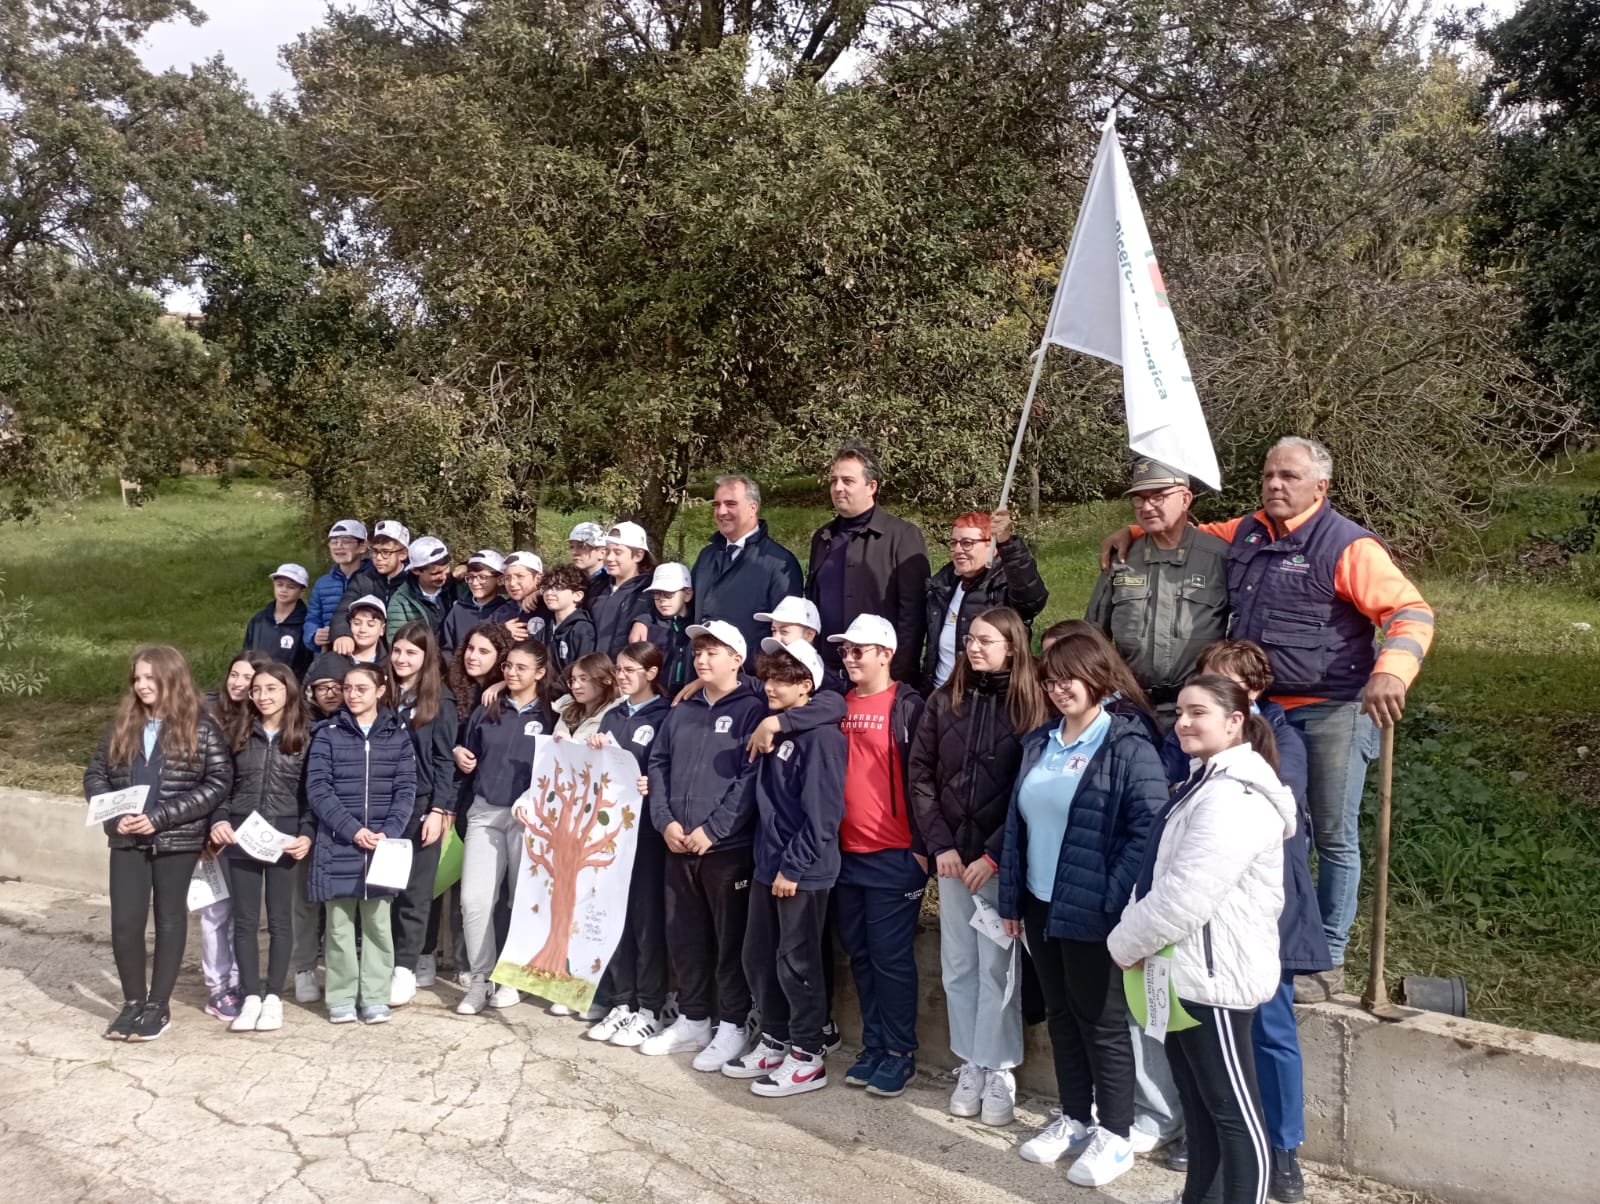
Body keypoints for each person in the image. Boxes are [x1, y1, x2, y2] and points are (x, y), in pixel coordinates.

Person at [1099, 435, 1435, 998]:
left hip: (1332, 709)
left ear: (1320, 487)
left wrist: (1392, 673)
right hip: (1256, 711)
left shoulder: (1349, 546)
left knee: (1331, 834)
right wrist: (1132, 531)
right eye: (1269, 476)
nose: (1275, 486)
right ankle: (1279, 943)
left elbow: (1411, 611)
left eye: (1290, 477)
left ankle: (1327, 956)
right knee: (1278, 833)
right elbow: (1188, 534)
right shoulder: (1249, 531)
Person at [1109, 675, 1295, 1204]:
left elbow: (1185, 896)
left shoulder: (1234, 797)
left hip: (1215, 978)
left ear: (1236, 721)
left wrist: (1123, 944)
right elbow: (1161, 877)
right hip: (1181, 969)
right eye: (1182, 712)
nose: (1184, 722)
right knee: (1201, 1109)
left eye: (1199, 713)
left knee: (1235, 1117)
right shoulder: (1203, 782)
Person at [996, 628, 1167, 1188]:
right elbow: (1017, 826)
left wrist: (1109, 896)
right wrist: (1013, 897)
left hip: (1094, 910)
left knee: (1104, 1023)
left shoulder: (1125, 744)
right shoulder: (1041, 742)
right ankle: (1074, 1118)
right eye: (1050, 680)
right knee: (1064, 1019)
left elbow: (1148, 830)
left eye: (1068, 678)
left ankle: (1115, 1136)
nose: (1058, 688)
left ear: (1097, 678)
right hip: (1042, 905)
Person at [1170, 641, 1328, 1203]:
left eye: (1222, 682)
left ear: (1250, 695)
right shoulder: (1198, 744)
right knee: (1211, 1051)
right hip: (1204, 929)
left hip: (1264, 912)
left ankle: (1282, 1151)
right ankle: (1208, 1138)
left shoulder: (1280, 738)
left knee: (1272, 1031)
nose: (1204, 694)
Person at [908, 606, 1048, 1126]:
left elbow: (1028, 788)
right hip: (952, 862)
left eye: (986, 640)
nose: (974, 647)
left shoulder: (1031, 705)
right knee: (959, 965)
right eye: (969, 639)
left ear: (1012, 645)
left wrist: (993, 853)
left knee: (998, 968)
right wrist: (941, 844)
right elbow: (920, 773)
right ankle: (970, 1061)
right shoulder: (945, 700)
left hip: (996, 863)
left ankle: (999, 1066)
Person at [86, 646, 233, 1042]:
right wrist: (112, 812)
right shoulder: (123, 723)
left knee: (169, 920)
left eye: (150, 678)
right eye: (137, 678)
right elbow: (95, 775)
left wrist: (160, 817)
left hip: (176, 839)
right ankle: (133, 1001)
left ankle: (158, 1006)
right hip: (126, 838)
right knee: (125, 924)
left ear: (171, 678)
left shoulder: (201, 726)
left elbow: (218, 781)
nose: (142, 685)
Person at [640, 620, 765, 1068]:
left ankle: (732, 1024)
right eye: (698, 651)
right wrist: (665, 820)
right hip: (677, 842)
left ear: (737, 659)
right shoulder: (684, 707)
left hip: (726, 850)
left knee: (728, 940)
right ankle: (694, 1019)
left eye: (714, 651)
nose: (702, 658)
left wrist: (715, 829)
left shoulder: (754, 709)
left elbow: (751, 777)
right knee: (685, 934)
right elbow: (659, 763)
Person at [723, 636, 844, 1097]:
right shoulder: (776, 730)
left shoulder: (822, 739)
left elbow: (824, 816)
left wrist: (792, 868)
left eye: (782, 679)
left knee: (798, 963)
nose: (769, 686)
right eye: (769, 677)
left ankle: (808, 1054)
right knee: (758, 954)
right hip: (766, 864)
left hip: (801, 871)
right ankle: (775, 1037)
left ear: (806, 685)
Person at [826, 613, 928, 1099]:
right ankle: (873, 1045)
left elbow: (928, 779)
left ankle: (899, 1053)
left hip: (895, 852)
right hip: (844, 853)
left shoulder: (908, 706)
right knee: (861, 955)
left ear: (885, 653)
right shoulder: (834, 704)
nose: (849, 658)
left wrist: (924, 847)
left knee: (890, 959)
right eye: (844, 650)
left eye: (858, 650)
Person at [305, 663, 417, 1024]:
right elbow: (318, 789)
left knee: (378, 925)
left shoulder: (398, 736)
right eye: (348, 688)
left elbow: (406, 789)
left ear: (380, 691)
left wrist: (391, 830)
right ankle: (340, 996)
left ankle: (374, 995)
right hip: (339, 843)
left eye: (361, 689)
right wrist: (352, 829)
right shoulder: (327, 734)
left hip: (382, 846)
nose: (352, 695)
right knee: (338, 926)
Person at [1086, 458, 1230, 732]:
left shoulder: (1219, 557)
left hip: (1200, 712)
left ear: (1186, 498)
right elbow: (1093, 634)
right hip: (1130, 709)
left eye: (1158, 497)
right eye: (1139, 500)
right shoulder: (1122, 558)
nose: (1147, 507)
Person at [209, 662, 312, 1033]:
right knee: (245, 920)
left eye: (271, 689)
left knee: (281, 920)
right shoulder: (237, 732)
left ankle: (273, 998)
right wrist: (219, 819)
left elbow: (310, 793)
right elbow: (222, 784)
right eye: (257, 690)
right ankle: (250, 995)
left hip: (283, 838)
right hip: (242, 835)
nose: (263, 696)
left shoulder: (305, 735)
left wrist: (306, 833)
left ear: (288, 691)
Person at [457, 639, 556, 1016]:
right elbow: (469, 751)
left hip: (529, 820)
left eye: (521, 668)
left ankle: (513, 977)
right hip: (484, 812)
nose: (511, 673)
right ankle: (480, 978)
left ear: (540, 673)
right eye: (508, 667)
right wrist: (458, 754)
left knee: (521, 901)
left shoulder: (552, 712)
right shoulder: (489, 707)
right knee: (475, 900)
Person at [584, 642, 673, 1048]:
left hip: (648, 837)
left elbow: (667, 768)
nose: (622, 675)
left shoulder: (666, 715)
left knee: (645, 920)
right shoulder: (614, 715)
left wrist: (653, 785)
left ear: (651, 673)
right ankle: (622, 1000)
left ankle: (649, 1007)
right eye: (619, 669)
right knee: (615, 918)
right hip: (611, 835)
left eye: (630, 669)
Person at [806, 443, 930, 682]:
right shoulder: (822, 538)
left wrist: (895, 676)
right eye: (834, 480)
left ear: (871, 486)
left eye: (848, 481)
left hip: (880, 679)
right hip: (827, 673)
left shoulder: (902, 536)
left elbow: (913, 616)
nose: (838, 488)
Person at [386, 622, 461, 1008]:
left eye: (411, 652)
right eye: (397, 650)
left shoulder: (440, 701)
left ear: (426, 657)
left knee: (416, 893)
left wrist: (439, 809)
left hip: (421, 804)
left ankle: (405, 967)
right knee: (384, 889)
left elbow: (444, 761)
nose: (402, 659)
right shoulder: (382, 693)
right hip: (382, 807)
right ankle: (381, 962)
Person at [199, 652, 271, 1021]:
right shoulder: (207, 714)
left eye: (249, 678)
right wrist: (208, 825)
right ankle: (219, 986)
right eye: (235, 674)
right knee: (216, 910)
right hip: (210, 825)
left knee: (243, 912)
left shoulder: (259, 721)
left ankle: (241, 979)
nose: (240, 683)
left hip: (248, 830)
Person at [921, 508, 1048, 693]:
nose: (957, 550)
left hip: (987, 698)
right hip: (940, 697)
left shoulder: (1005, 583)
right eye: (954, 542)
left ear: (992, 545)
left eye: (967, 543)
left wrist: (1008, 544)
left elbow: (1032, 600)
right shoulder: (942, 584)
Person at [291, 651, 352, 1003]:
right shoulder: (298, 726)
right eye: (321, 687)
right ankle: (303, 968)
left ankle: (339, 969)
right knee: (304, 902)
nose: (330, 693)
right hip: (303, 823)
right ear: (310, 691)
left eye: (337, 687)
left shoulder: (358, 724)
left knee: (340, 906)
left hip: (343, 825)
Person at [689, 474, 804, 657]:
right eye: (717, 505)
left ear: (753, 508)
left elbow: (787, 634)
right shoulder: (706, 556)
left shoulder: (780, 563)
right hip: (700, 672)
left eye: (731, 504)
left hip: (748, 678)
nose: (721, 512)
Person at [330, 519, 411, 653]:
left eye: (386, 552)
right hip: (371, 652)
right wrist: (343, 634)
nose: (378, 558)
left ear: (403, 554)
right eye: (375, 551)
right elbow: (342, 611)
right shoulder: (363, 580)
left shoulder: (413, 582)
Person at [591, 522, 656, 657]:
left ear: (638, 555)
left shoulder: (651, 592)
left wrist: (644, 619)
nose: (609, 558)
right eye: (607, 552)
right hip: (590, 671)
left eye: (617, 552)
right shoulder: (596, 585)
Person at [305, 519, 369, 652]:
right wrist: (313, 635)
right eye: (334, 542)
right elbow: (312, 619)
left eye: (346, 541)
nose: (338, 546)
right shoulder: (322, 583)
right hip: (330, 654)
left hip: (365, 654)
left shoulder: (374, 579)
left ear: (362, 546)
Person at [243, 563, 314, 678]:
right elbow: (247, 652)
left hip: (290, 686)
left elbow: (307, 662)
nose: (284, 590)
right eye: (280, 585)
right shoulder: (259, 620)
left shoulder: (307, 623)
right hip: (257, 682)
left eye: (291, 587)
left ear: (302, 591)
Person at [442, 549, 514, 660]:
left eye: (482, 577)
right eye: (470, 577)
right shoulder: (458, 610)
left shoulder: (507, 612)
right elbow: (447, 649)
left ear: (499, 580)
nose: (475, 583)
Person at [634, 561, 695, 691]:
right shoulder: (648, 629)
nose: (662, 599)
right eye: (657, 593)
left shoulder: (697, 627)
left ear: (688, 594)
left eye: (669, 593)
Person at [386, 536, 458, 644]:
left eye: (446, 569)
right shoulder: (401, 601)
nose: (443, 577)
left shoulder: (458, 587)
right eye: (436, 573)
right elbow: (396, 642)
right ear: (415, 570)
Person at [554, 652, 622, 743]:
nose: (575, 686)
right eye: (573, 680)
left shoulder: (617, 716)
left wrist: (571, 744)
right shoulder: (566, 707)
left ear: (606, 680)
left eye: (583, 679)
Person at [542, 563, 597, 673]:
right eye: (546, 588)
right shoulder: (545, 629)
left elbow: (582, 671)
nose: (549, 593)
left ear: (577, 595)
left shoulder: (582, 629)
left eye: (557, 588)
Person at [500, 551, 551, 644]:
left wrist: (540, 592)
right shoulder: (501, 610)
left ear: (538, 579)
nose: (512, 583)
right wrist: (501, 632)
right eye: (507, 578)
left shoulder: (550, 606)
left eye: (519, 576)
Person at [567, 521, 612, 607]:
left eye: (582, 547)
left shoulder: (612, 582)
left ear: (602, 553)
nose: (574, 552)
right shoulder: (569, 578)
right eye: (572, 546)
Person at [345, 594, 391, 666]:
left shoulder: (389, 664)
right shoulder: (336, 659)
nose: (362, 630)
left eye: (371, 625)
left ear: (382, 629)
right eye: (357, 623)